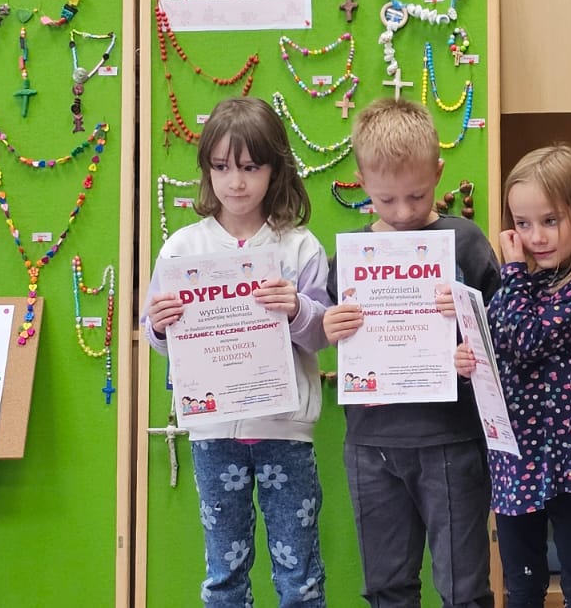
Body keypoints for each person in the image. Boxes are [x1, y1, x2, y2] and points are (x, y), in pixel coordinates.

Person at [143, 96, 331, 607]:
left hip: (284, 430)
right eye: (222, 167)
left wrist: (297, 309)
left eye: (250, 167)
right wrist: (158, 325)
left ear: (275, 169)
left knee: (299, 573)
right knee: (224, 572)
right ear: (207, 170)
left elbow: (322, 334)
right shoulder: (182, 249)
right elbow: (158, 335)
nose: (236, 182)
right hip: (213, 432)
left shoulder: (299, 247)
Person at [321, 98, 499, 608]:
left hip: (451, 440)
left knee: (463, 587)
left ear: (438, 173)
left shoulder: (464, 241)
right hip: (371, 443)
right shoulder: (350, 257)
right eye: (386, 199)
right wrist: (330, 325)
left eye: (417, 196)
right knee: (386, 587)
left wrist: (469, 339)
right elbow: (327, 327)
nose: (403, 213)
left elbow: (500, 332)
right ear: (361, 182)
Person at [446, 144, 571, 608]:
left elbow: (526, 341)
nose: (536, 236)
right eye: (522, 224)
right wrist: (468, 364)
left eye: (550, 220)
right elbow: (496, 354)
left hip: (570, 463)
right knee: (521, 587)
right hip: (514, 462)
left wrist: (515, 272)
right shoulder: (513, 288)